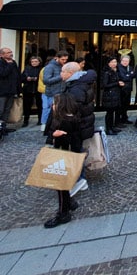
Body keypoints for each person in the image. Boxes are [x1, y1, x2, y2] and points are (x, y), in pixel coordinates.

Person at [43, 93, 82, 228]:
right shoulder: (71, 118)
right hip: (68, 154)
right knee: (62, 184)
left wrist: (54, 135)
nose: (52, 106)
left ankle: (63, 213)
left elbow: (69, 140)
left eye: (55, 103)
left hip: (64, 155)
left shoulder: (65, 122)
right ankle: (69, 203)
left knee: (60, 185)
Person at [41, 51, 70, 133]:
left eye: (66, 59)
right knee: (52, 113)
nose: (64, 61)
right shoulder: (50, 67)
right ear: (57, 58)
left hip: (61, 92)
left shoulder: (64, 66)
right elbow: (46, 80)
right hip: (53, 93)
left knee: (58, 113)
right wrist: (60, 76)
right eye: (62, 59)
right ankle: (49, 130)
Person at [100, 56, 122, 135]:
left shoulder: (115, 71)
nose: (114, 64)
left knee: (112, 112)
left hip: (114, 94)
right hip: (109, 95)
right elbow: (104, 85)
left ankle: (112, 127)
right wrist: (117, 83)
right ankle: (108, 129)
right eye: (112, 62)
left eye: (115, 62)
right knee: (109, 113)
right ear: (108, 63)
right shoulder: (107, 72)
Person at [20, 56, 43, 127]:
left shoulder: (42, 69)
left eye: (36, 61)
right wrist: (27, 78)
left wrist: (37, 79)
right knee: (26, 106)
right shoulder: (27, 68)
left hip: (38, 89)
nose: (34, 63)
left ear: (39, 62)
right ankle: (25, 121)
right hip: (27, 89)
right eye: (32, 61)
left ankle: (40, 120)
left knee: (40, 105)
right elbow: (21, 78)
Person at [0, 47, 19, 132]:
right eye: (8, 52)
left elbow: (16, 76)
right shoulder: (1, 63)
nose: (10, 54)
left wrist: (18, 89)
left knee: (7, 110)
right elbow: (3, 73)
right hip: (2, 91)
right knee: (1, 110)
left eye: (11, 52)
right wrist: (9, 65)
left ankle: (3, 127)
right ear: (2, 54)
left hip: (11, 91)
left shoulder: (13, 62)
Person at [116, 55, 134, 125]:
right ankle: (118, 120)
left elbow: (133, 75)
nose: (125, 62)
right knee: (120, 106)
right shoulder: (118, 68)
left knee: (126, 105)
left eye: (127, 61)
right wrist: (129, 75)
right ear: (121, 61)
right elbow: (123, 77)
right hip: (121, 90)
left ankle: (124, 118)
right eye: (124, 61)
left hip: (128, 89)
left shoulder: (130, 67)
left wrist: (128, 75)